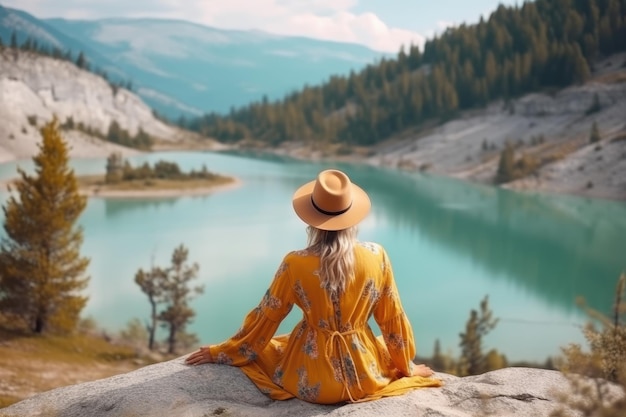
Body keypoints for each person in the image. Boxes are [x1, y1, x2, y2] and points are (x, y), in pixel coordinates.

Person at [185, 169, 443, 404]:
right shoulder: (378, 255)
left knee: (270, 350)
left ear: (311, 219)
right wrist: (407, 368)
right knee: (380, 344)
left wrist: (222, 351)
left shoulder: (295, 263)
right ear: (352, 216)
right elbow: (392, 321)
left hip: (312, 383)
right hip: (366, 378)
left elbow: (267, 316)